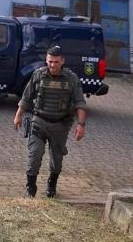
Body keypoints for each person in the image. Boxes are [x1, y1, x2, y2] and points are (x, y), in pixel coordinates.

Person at [13, 45, 87, 198]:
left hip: (60, 125)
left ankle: (52, 185)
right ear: (46, 60)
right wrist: (18, 115)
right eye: (50, 61)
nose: (52, 65)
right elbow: (26, 97)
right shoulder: (38, 74)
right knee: (35, 153)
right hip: (39, 121)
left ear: (62, 61)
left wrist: (81, 124)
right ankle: (30, 188)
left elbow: (80, 102)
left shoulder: (71, 78)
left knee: (57, 159)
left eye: (56, 62)